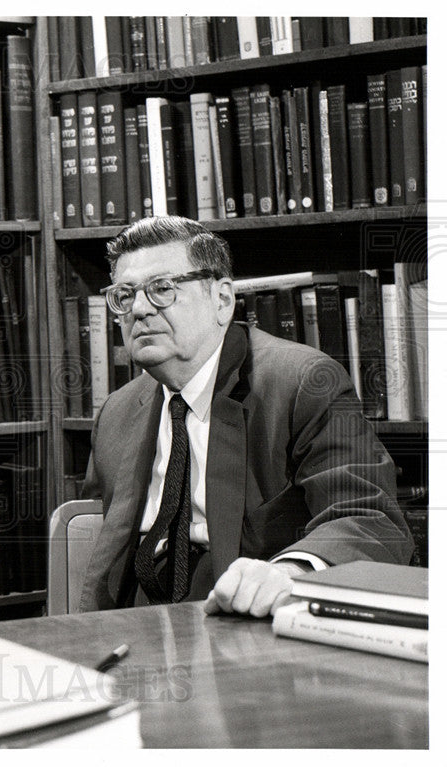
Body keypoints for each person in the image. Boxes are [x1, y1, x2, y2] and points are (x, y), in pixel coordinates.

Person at [78, 216, 413, 617]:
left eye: (162, 289)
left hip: (243, 614)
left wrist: (291, 571)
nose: (139, 309)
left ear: (221, 300)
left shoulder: (305, 382)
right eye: (125, 295)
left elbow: (368, 516)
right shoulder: (117, 410)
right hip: (131, 618)